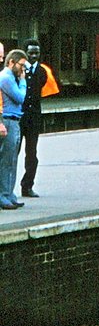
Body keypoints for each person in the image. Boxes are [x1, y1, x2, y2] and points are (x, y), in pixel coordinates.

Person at [18, 39, 59, 197]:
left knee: (32, 153)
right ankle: (5, 189)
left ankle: (27, 186)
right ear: (25, 53)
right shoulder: (18, 70)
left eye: (36, 53)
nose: (34, 56)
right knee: (12, 152)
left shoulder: (43, 71)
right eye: (31, 53)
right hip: (19, 117)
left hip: (34, 118)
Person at [0, 49, 29, 210]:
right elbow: (20, 97)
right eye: (21, 65)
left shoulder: (12, 77)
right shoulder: (5, 78)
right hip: (8, 120)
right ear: (11, 62)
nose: (23, 70)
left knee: (12, 160)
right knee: (6, 160)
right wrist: (24, 82)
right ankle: (3, 195)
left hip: (15, 121)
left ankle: (9, 193)